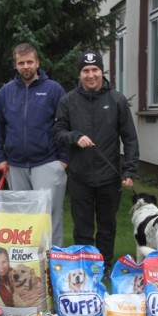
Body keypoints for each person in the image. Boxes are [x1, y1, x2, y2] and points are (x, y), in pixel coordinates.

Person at [54, 50, 139, 273]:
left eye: (95, 70)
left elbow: (129, 138)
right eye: (85, 70)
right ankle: (86, 266)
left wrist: (129, 170)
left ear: (102, 71)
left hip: (109, 177)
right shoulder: (68, 100)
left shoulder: (117, 100)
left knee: (107, 226)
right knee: (82, 228)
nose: (91, 75)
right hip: (79, 176)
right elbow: (58, 133)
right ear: (79, 74)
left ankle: (104, 266)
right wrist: (75, 137)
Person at [0, 43, 68, 247]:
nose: (26, 66)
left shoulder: (53, 90)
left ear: (37, 63)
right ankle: (27, 261)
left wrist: (63, 160)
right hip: (15, 165)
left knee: (49, 216)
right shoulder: (5, 93)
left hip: (47, 162)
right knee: (21, 217)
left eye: (29, 62)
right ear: (15, 65)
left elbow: (66, 125)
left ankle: (53, 263)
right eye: (21, 63)